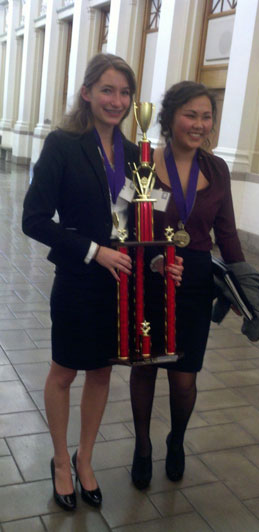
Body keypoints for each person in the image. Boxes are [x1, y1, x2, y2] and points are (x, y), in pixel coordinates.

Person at [22, 53, 140, 511]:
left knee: (101, 370)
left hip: (121, 283)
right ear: (87, 92)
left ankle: (85, 458)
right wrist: (94, 250)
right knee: (65, 371)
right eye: (108, 90)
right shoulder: (63, 144)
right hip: (79, 278)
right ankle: (59, 461)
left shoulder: (134, 156)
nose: (117, 100)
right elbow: (33, 220)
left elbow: (141, 216)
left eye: (125, 92)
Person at [130, 81, 245, 490]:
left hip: (194, 281)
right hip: (147, 274)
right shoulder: (141, 165)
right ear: (169, 118)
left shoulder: (217, 170)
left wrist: (242, 284)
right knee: (144, 368)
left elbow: (227, 232)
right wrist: (153, 260)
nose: (199, 124)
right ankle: (142, 447)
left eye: (206, 116)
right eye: (190, 115)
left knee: (183, 377)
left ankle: (175, 440)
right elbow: (124, 226)